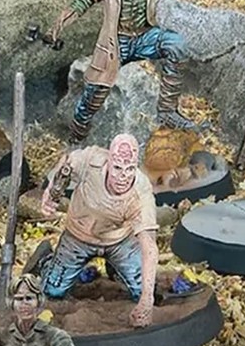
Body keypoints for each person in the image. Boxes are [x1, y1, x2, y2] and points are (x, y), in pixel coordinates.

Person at [51, 0, 227, 139]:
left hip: (145, 38)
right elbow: (85, 0)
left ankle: (167, 111)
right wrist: (59, 23)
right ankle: (79, 129)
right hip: (116, 43)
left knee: (176, 44)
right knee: (95, 92)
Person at [39, 133, 158, 327]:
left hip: (119, 241)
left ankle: (116, 269)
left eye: (129, 169)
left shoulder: (141, 191)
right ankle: (46, 262)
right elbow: (67, 163)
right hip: (78, 237)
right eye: (117, 168)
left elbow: (149, 246)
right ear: (109, 162)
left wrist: (147, 300)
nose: (123, 176)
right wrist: (51, 192)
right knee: (53, 291)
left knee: (142, 288)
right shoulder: (91, 160)